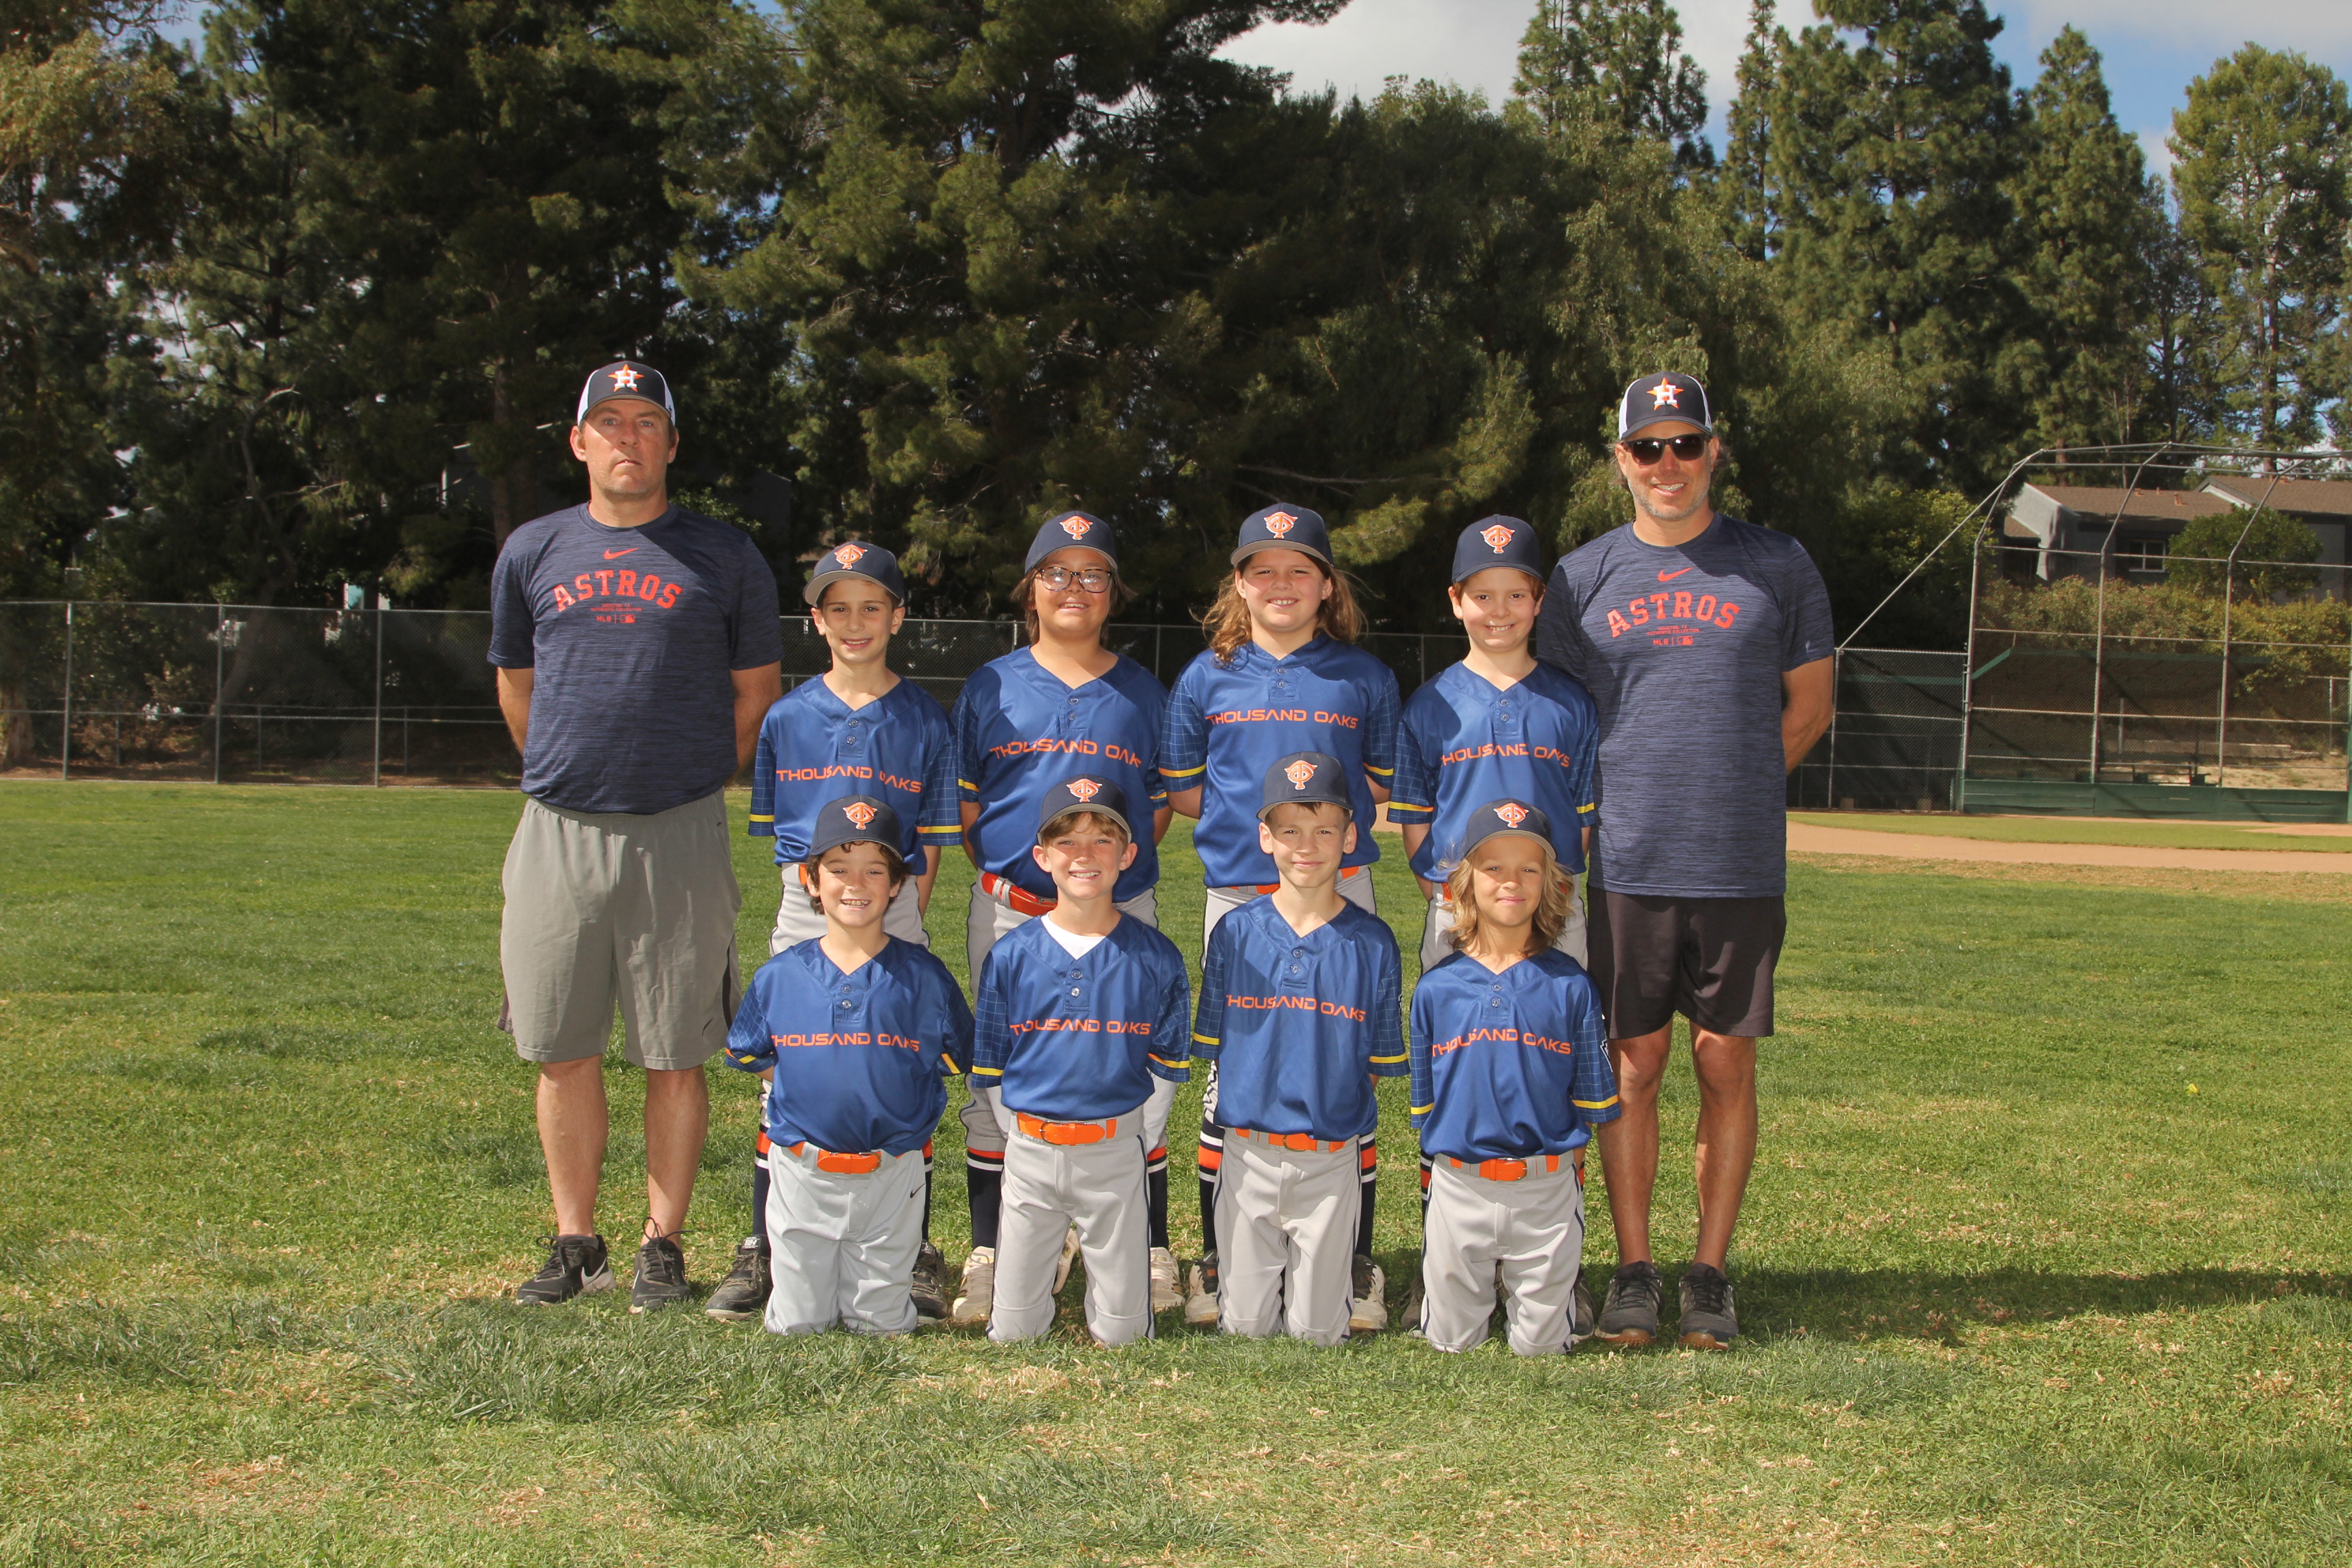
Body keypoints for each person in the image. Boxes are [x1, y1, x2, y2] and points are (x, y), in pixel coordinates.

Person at [1533, 372, 1834, 1350]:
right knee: (1635, 1064)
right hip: (1625, 860)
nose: (1669, 464)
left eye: (1686, 444)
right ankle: (1633, 1270)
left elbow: (1811, 707)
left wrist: (1732, 789)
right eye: (1648, 447)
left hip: (1738, 862)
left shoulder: (1777, 563)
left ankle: (1708, 1273)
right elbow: (1560, 720)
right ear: (1620, 460)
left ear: (1714, 451)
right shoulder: (1583, 576)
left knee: (1725, 1059)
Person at [489, 360, 783, 1311]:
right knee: (561, 1045)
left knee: (675, 1049)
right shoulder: (533, 550)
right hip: (559, 827)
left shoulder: (723, 555)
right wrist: (568, 769)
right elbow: (518, 685)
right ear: (579, 441)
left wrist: (686, 778)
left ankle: (663, 1244)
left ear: (671, 443)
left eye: (647, 421)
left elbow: (754, 693)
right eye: (609, 421)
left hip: (679, 830)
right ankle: (577, 1242)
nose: (628, 437)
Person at [708, 541, 962, 1324]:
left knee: (903, 1069)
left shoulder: (925, 717)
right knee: (786, 1078)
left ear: (899, 616)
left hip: (897, 903)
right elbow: (786, 846)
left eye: (872, 607)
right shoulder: (787, 718)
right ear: (815, 620)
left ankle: (911, 1247)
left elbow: (931, 844)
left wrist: (901, 923)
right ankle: (767, 1244)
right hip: (806, 908)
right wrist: (818, 911)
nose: (856, 622)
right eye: (838, 608)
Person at [1162, 503, 1401, 1331]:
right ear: (1238, 583)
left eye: (1301, 569)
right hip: (1239, 896)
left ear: (1328, 585)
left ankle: (1352, 1260)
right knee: (1232, 1070)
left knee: (1347, 1066)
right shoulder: (1205, 677)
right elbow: (1186, 792)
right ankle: (1220, 1255)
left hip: (1341, 893)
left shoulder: (1363, 676)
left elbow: (1377, 785)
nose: (1282, 584)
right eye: (1262, 569)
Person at [947, 511, 1177, 1326]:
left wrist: (1096, 889)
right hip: (1014, 915)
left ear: (1113, 591)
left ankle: (1147, 1244)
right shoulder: (991, 686)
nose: (1074, 587)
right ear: (1030, 588)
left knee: (1136, 1073)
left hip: (1120, 914)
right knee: (998, 1075)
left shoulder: (1143, 691)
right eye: (1057, 572)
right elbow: (969, 809)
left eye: (1092, 574)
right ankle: (997, 1246)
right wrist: (1029, 879)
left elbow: (1158, 809)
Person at [719, 796, 973, 1335]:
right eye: (838, 868)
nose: (856, 883)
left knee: (882, 1323)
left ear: (897, 883)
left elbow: (955, 1055)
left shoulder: (924, 977)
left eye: (875, 870)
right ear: (810, 880)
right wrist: (807, 1075)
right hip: (803, 1168)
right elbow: (749, 1051)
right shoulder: (780, 975)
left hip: (892, 1168)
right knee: (798, 1324)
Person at [1190, 754, 1405, 1346]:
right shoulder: (1233, 933)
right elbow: (1217, 1047)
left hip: (1331, 1159)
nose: (1306, 846)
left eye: (1324, 830)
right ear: (1265, 837)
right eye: (1289, 830)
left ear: (1350, 837)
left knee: (1319, 1332)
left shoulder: (1373, 942)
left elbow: (1375, 1062)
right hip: (1248, 1152)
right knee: (1245, 1327)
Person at [969, 779, 1192, 1348]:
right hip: (1032, 1152)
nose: (1084, 855)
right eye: (1066, 841)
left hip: (1115, 1151)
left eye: (1102, 840)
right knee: (1013, 1332)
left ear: (1128, 854)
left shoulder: (1156, 956)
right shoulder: (1011, 955)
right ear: (1042, 856)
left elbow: (1166, 1064)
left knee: (1124, 1334)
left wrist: (1137, 1135)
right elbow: (991, 1064)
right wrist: (1021, 1133)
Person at [1408, 800, 1620, 1356]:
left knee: (1541, 1350)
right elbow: (1426, 1111)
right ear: (1463, 883)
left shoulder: (1573, 987)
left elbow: (1591, 1102)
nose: (1511, 881)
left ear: (1553, 885)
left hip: (1546, 1189)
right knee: (1450, 1344)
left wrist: (1565, 1179)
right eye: (1493, 867)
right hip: (1459, 1185)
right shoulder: (1436, 989)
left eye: (1529, 868)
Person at [1390, 514, 1599, 971]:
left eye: (1517, 595)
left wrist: (1557, 890)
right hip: (1459, 905)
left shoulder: (1571, 703)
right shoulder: (1428, 705)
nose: (1499, 611)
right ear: (1456, 600)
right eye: (1483, 596)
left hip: (1552, 905)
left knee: (1557, 1012)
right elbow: (1415, 816)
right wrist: (1444, 896)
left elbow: (1581, 814)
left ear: (1539, 600)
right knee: (1456, 1014)